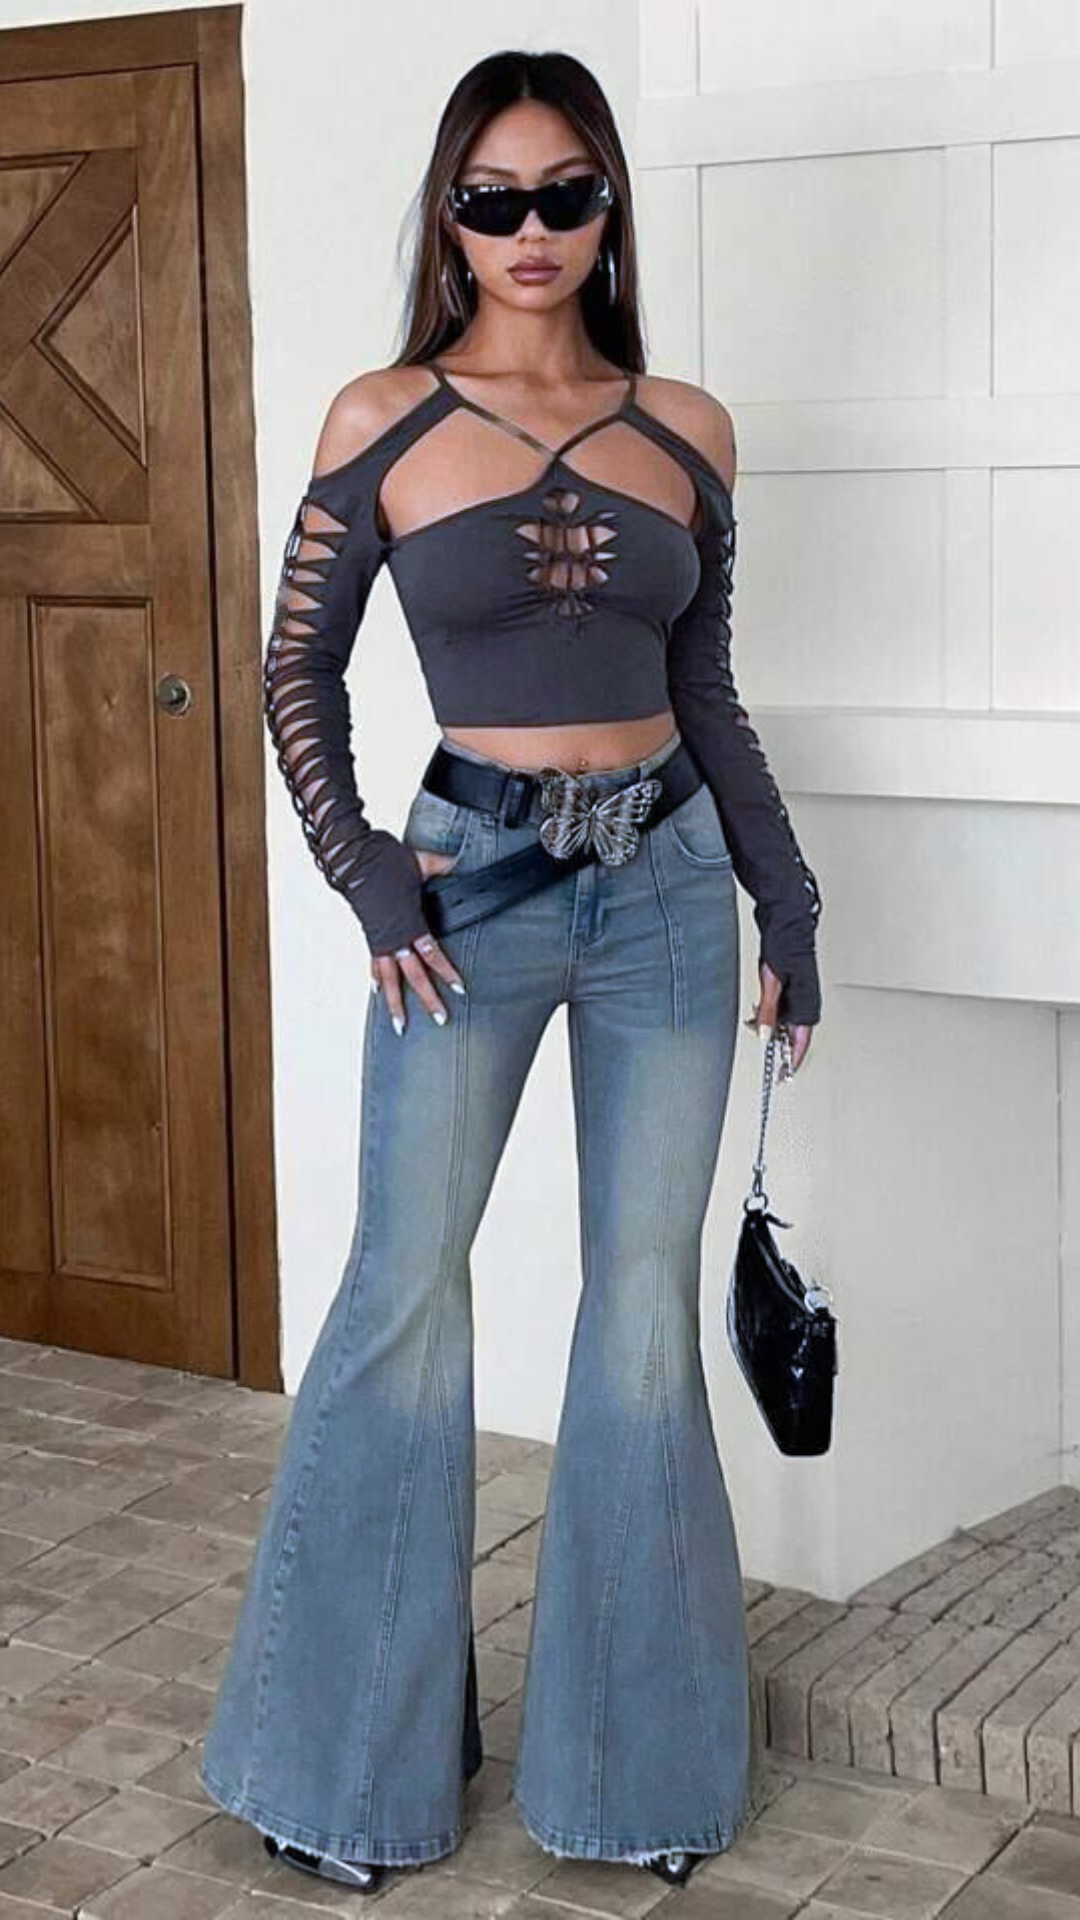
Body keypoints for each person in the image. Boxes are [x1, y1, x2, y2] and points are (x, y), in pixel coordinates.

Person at [199, 46, 823, 1897]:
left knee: (638, 1318)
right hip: (466, 889)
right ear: (450, 218)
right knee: (403, 1297)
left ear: (606, 207)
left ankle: (635, 1782)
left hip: (670, 893)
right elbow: (293, 671)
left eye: (565, 192)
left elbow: (705, 689)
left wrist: (787, 907)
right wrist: (368, 879)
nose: (529, 228)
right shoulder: (382, 417)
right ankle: (342, 1777)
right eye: (493, 197)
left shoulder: (687, 429)